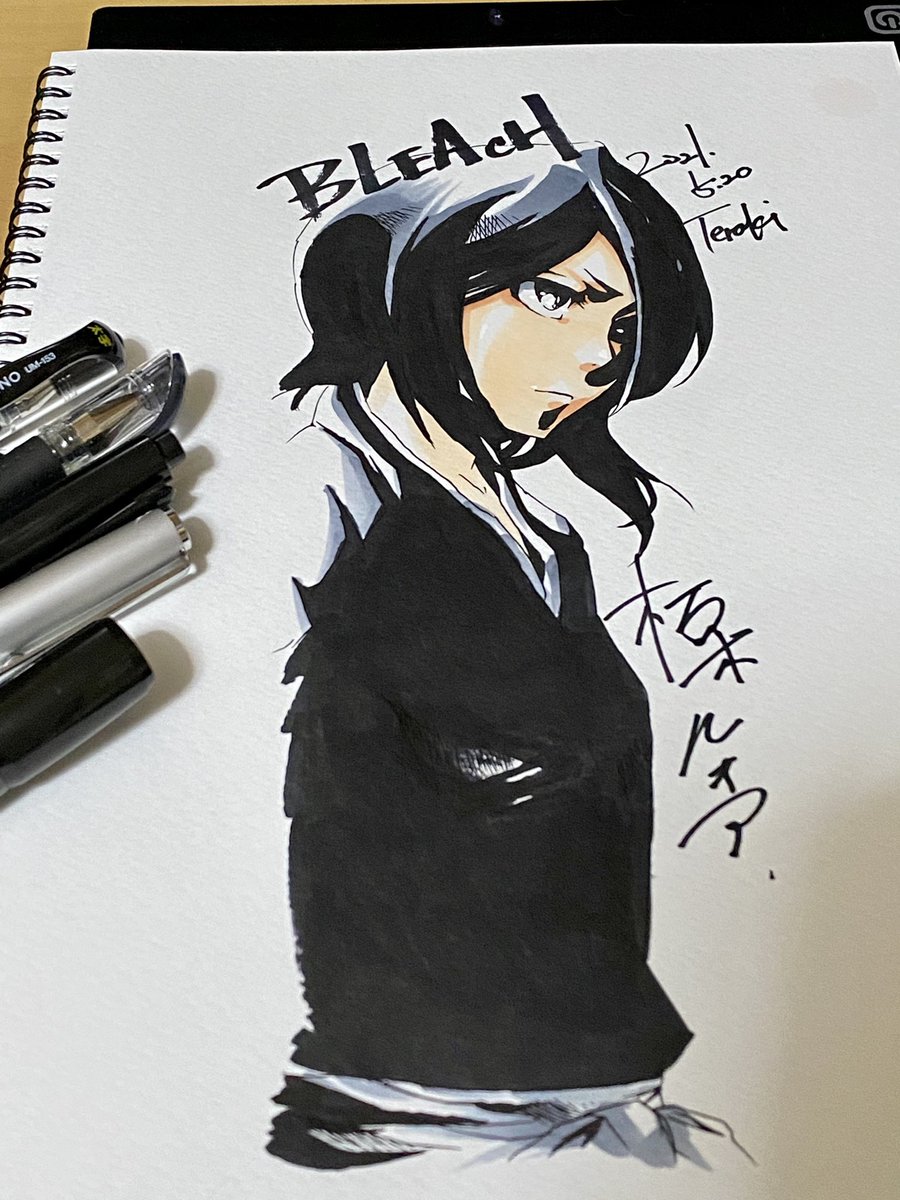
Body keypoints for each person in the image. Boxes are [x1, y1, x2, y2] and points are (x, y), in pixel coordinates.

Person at [267, 144, 730, 1170]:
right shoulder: (316, 510)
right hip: (419, 1112)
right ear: (423, 281)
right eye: (555, 295)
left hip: (595, 1090)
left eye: (621, 326)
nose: (599, 356)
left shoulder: (543, 535)